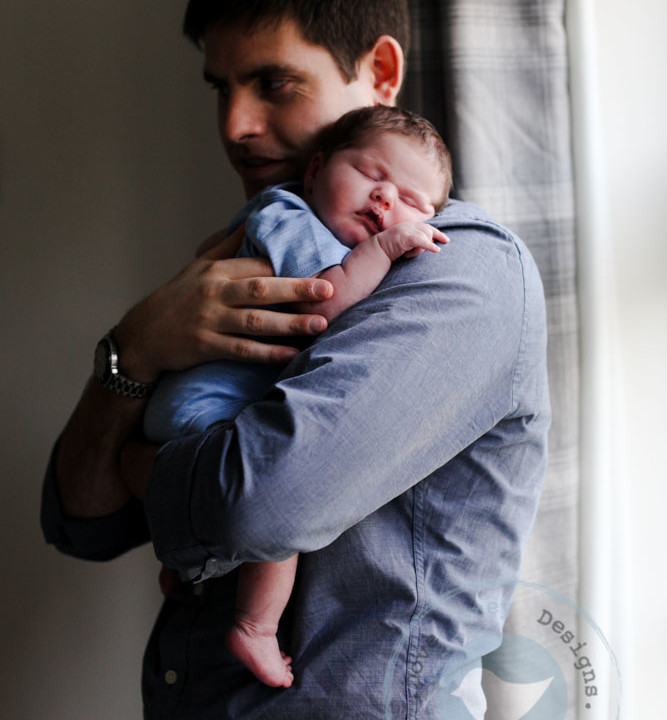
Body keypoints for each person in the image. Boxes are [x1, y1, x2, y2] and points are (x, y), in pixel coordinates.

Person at [41, 1, 550, 718]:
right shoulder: (244, 250)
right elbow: (84, 523)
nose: (234, 126)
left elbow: (256, 506)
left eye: (274, 84)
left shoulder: (459, 269)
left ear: (379, 72)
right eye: (221, 88)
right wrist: (135, 345)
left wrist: (142, 467)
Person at [143, 104, 452, 688]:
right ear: (314, 172)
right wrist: (386, 250)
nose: (386, 201)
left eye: (413, 202)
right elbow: (319, 305)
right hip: (206, 401)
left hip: (205, 399)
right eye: (368, 173)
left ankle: (183, 574)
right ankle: (255, 628)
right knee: (277, 511)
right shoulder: (292, 217)